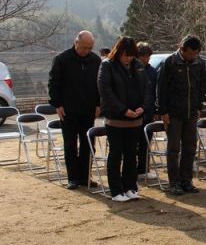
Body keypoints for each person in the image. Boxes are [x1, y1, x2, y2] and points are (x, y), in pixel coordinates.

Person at [97, 37, 153, 202]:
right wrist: (123, 110)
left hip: (136, 119)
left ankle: (130, 187)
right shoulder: (107, 65)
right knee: (116, 154)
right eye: (125, 55)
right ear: (118, 52)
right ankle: (116, 190)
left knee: (131, 154)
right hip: (116, 120)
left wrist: (143, 106)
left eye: (131, 55)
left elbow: (147, 89)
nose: (128, 58)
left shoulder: (138, 66)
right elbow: (105, 91)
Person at [48, 30, 102, 190]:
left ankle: (85, 177)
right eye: (84, 47)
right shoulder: (62, 59)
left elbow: (100, 85)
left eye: (90, 47)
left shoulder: (95, 60)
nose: (86, 51)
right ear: (76, 43)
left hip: (89, 109)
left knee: (88, 144)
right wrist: (57, 104)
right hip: (68, 110)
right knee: (70, 144)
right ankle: (72, 178)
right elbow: (53, 83)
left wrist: (99, 104)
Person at [157, 35, 206, 196]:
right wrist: (163, 111)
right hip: (173, 113)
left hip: (192, 112)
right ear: (181, 49)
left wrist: (200, 105)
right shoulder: (170, 62)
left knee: (190, 147)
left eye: (195, 54)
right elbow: (161, 88)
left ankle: (186, 180)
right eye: (190, 54)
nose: (193, 57)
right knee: (173, 149)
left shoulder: (199, 63)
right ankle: (174, 183)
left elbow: (202, 85)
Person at [135, 42, 158, 177]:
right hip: (135, 112)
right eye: (143, 56)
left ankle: (143, 169)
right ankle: (132, 169)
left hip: (148, 112)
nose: (146, 59)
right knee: (133, 144)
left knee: (146, 142)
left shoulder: (152, 71)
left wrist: (155, 110)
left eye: (148, 56)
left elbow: (154, 92)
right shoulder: (131, 70)